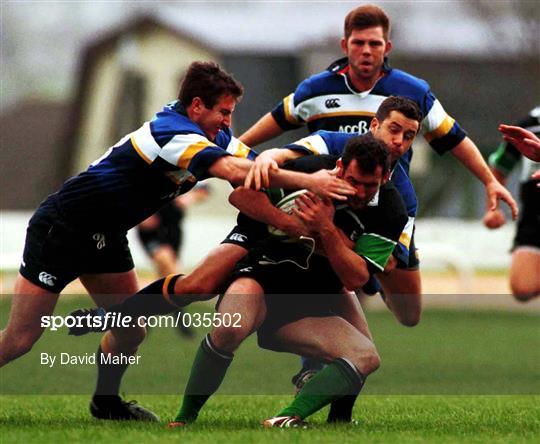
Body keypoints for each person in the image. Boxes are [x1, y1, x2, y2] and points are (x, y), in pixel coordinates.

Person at [0, 61, 350, 421]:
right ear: (197, 105)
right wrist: (311, 183)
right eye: (224, 112)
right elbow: (231, 171)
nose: (229, 122)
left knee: (132, 327)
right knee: (21, 339)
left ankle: (105, 403)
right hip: (61, 229)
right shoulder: (171, 133)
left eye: (231, 113)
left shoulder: (215, 136)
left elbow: (257, 171)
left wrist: (333, 174)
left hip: (105, 235)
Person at [240, 3, 518, 323]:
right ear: (345, 45)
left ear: (387, 47)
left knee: (408, 312)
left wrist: (489, 180)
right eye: (359, 43)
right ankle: (320, 356)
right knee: (336, 274)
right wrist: (235, 152)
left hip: (385, 205)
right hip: (328, 198)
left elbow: (453, 138)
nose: (367, 51)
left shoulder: (412, 92)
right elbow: (274, 122)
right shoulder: (315, 90)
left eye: (375, 44)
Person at [168, 133, 408, 428]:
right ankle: (184, 418)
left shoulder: (391, 210)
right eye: (354, 181)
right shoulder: (310, 172)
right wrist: (289, 223)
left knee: (365, 356)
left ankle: (295, 418)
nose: (359, 191)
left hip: (315, 295)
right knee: (229, 328)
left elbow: (356, 277)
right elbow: (240, 196)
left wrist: (324, 229)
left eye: (370, 185)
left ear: (385, 177)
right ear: (342, 166)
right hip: (264, 275)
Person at [483, 107, 539, 301]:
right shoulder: (530, 124)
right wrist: (493, 208)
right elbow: (499, 166)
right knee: (522, 287)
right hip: (534, 218)